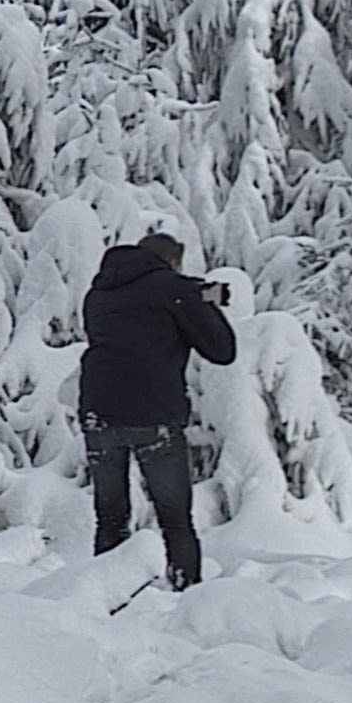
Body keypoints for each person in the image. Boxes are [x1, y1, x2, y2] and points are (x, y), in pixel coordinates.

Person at [78, 229, 237, 590]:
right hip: (153, 414)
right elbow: (222, 350)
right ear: (173, 263)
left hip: (98, 411)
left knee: (110, 515)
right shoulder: (173, 290)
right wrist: (205, 302)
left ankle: (105, 593)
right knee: (175, 516)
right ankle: (184, 592)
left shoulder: (99, 292)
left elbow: (137, 320)